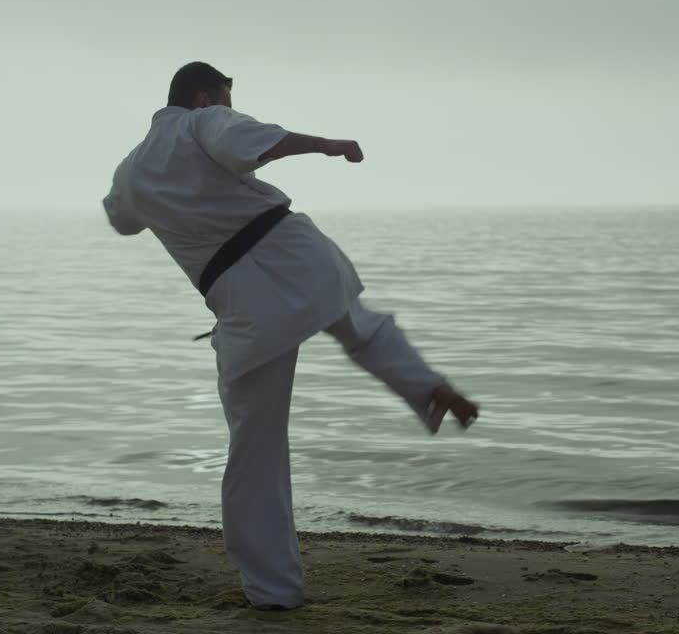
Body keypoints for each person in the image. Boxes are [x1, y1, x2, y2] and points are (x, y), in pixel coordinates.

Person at [102, 62, 479, 610]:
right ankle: (427, 386)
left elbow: (120, 219)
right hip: (297, 254)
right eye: (227, 96)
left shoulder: (133, 169)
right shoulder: (204, 122)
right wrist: (328, 144)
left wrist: (162, 199)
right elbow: (248, 141)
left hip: (241, 299)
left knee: (256, 451)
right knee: (364, 329)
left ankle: (273, 590)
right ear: (206, 96)